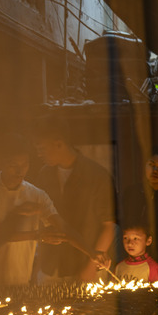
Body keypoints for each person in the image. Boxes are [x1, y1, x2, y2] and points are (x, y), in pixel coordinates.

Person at [0, 134, 73, 289]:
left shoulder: (36, 195)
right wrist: (38, 235)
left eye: (25, 164)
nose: (20, 171)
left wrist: (92, 253)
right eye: (13, 165)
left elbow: (61, 228)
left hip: (19, 280)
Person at [32, 115, 117, 283]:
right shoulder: (45, 174)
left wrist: (90, 268)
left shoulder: (97, 176)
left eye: (42, 148)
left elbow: (109, 225)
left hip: (84, 264)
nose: (39, 154)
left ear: (59, 143)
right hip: (50, 266)